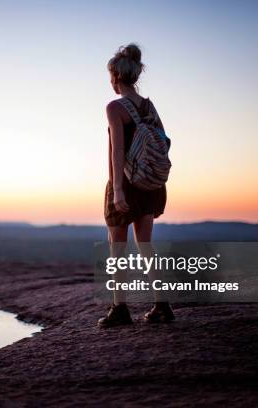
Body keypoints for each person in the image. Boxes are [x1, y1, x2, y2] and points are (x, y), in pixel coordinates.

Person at [98, 43, 175, 328]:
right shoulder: (149, 106)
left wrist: (117, 189)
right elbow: (164, 142)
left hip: (127, 183)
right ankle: (161, 304)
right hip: (151, 183)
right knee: (146, 245)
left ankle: (120, 309)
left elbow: (117, 151)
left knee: (116, 246)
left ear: (116, 77)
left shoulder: (115, 107)